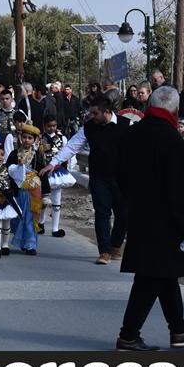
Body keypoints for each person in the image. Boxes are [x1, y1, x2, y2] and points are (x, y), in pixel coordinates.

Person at [115, 85, 184, 351]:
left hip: (138, 216)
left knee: (165, 274)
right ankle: (128, 336)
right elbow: (177, 192)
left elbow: (119, 176)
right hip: (164, 223)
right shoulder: (171, 140)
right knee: (150, 278)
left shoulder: (131, 134)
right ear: (176, 110)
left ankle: (179, 330)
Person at [40, 94, 130, 265]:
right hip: (99, 177)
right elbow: (72, 146)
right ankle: (104, 251)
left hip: (122, 178)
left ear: (106, 111)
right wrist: (54, 163)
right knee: (102, 213)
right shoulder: (89, 127)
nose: (92, 117)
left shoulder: (127, 125)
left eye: (95, 113)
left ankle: (116, 244)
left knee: (123, 214)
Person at [6, 124, 50, 256]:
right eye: (24, 137)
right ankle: (22, 241)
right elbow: (8, 171)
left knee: (30, 217)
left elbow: (43, 173)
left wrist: (46, 194)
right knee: (18, 218)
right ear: (20, 138)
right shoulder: (14, 154)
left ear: (35, 140)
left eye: (30, 138)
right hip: (18, 190)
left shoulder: (38, 155)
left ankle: (30, 244)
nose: (26, 140)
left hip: (33, 191)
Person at [38, 115, 76, 237]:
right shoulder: (39, 139)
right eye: (49, 126)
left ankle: (55, 228)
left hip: (58, 172)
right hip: (44, 172)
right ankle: (40, 223)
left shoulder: (62, 138)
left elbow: (68, 154)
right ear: (44, 126)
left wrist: (68, 167)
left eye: (54, 125)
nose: (52, 128)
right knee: (43, 199)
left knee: (56, 200)